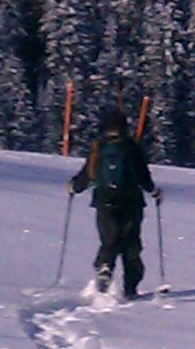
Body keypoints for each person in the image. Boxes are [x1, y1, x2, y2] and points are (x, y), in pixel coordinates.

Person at [69, 103, 161, 298]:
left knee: (109, 240)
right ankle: (131, 288)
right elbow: (143, 175)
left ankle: (104, 267)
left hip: (104, 200)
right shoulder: (132, 147)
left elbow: (88, 174)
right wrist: (154, 191)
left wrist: (74, 187)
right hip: (131, 202)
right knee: (131, 244)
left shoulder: (99, 148)